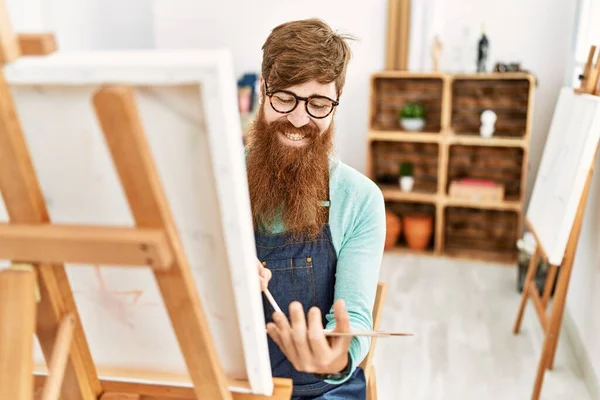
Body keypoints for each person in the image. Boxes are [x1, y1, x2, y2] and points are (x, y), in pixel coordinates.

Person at [245, 18, 386, 399]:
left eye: (319, 104)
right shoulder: (218, 178)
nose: (298, 118)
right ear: (263, 89)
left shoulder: (359, 199)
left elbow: (354, 321)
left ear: (336, 103)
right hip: (229, 381)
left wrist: (335, 359)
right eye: (285, 98)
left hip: (321, 389)